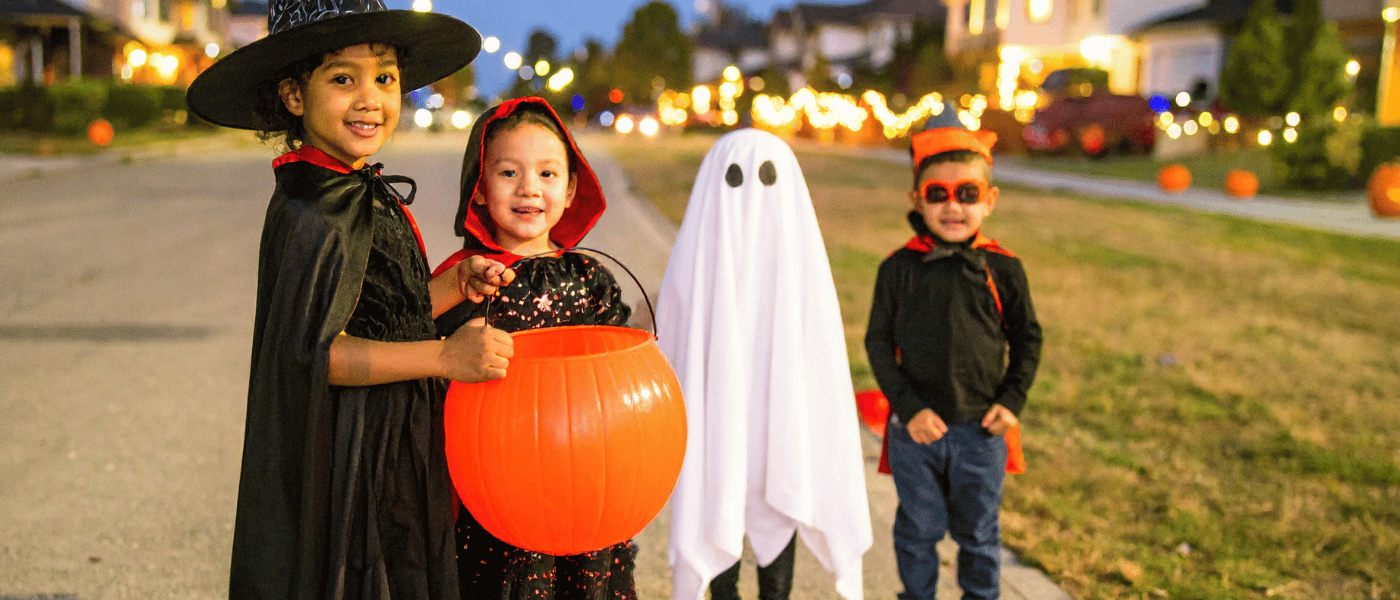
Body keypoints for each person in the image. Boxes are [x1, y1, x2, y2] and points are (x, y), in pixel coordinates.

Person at [185, 1, 516, 598]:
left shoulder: (351, 187)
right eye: (343, 79)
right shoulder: (315, 209)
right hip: (356, 458)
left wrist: (449, 288)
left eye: (384, 77)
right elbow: (318, 355)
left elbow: (380, 317)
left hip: (393, 441)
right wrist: (444, 358)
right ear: (292, 95)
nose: (371, 99)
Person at [433, 97, 637, 600]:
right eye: (508, 172)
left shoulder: (593, 280)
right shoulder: (465, 280)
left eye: (547, 174)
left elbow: (626, 377)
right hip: (496, 493)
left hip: (585, 484)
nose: (529, 188)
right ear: (478, 189)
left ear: (570, 190)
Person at [656, 128, 872, 600]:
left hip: (781, 430)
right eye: (735, 179)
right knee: (717, 503)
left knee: (781, 500)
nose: (752, 198)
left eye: (768, 178)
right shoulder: (698, 262)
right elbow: (671, 333)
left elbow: (821, 358)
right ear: (713, 186)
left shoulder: (802, 270)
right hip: (715, 429)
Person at [864, 123, 1043, 600]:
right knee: (917, 531)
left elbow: (1027, 338)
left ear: (990, 199)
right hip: (916, 430)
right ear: (917, 199)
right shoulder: (897, 269)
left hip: (981, 431)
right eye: (937, 193)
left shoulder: (1003, 268)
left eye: (968, 192)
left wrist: (1012, 400)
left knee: (980, 535)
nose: (953, 206)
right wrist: (909, 407)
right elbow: (877, 343)